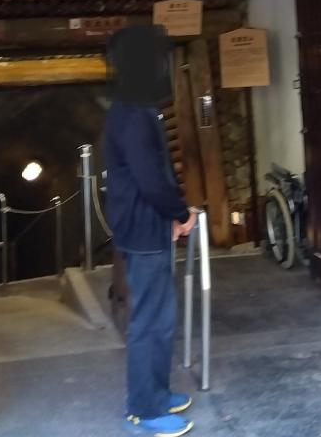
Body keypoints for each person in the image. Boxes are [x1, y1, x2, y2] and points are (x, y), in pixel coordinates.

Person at [104, 24, 198, 437]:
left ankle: (155, 393)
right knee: (150, 321)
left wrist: (173, 212)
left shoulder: (133, 109)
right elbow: (151, 179)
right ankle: (144, 408)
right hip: (144, 231)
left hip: (145, 227)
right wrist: (179, 212)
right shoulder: (133, 116)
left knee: (160, 318)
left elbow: (155, 172)